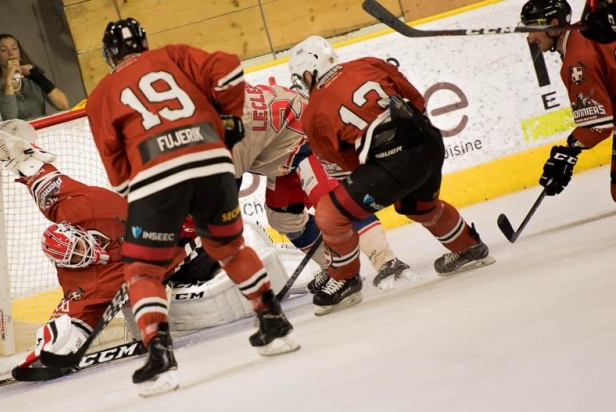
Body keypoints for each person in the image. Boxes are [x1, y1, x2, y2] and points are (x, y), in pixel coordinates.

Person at [86, 18, 300, 396]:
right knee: (230, 248)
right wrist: (231, 117)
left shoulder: (102, 93)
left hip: (157, 175)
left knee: (142, 269)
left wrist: (143, 193)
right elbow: (230, 68)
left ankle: (160, 358)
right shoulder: (175, 55)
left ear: (109, 55)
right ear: (144, 42)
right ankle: (273, 323)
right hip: (213, 162)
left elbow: (117, 172)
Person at [0, 119, 227, 377]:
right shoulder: (80, 280)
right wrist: (48, 348)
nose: (83, 254)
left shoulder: (88, 207)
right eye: (75, 257)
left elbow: (44, 180)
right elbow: (70, 317)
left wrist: (20, 153)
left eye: (80, 247)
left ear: (79, 231)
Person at [287, 36, 495, 313]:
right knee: (418, 205)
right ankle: (469, 247)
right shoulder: (367, 63)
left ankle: (344, 280)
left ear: (308, 72)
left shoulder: (313, 113)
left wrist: (381, 176)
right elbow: (415, 99)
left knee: (331, 213)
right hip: (429, 141)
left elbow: (347, 170)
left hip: (394, 162)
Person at [232, 83, 420, 303]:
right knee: (284, 220)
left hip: (307, 139)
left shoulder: (225, 125)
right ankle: (334, 269)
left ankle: (387, 262)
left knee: (338, 203)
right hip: (282, 153)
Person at [522, 0, 616, 204]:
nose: (530, 38)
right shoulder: (585, 34)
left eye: (533, 29)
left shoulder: (577, 60)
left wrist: (568, 152)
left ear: (554, 25)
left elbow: (598, 125)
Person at [0, 34, 69, 121]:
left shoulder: (31, 77)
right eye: (3, 50)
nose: (11, 53)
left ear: (20, 53)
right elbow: (10, 118)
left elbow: (63, 105)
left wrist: (38, 77)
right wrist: (9, 79)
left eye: (14, 48)